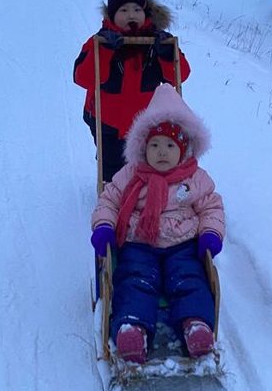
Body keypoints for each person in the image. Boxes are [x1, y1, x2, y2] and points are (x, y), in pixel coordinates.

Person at [90, 83, 224, 364]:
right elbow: (110, 201)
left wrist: (210, 233)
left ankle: (195, 323)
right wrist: (104, 226)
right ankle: (132, 327)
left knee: (188, 279)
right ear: (143, 147)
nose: (161, 152)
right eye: (154, 145)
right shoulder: (131, 174)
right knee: (135, 280)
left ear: (183, 149)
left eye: (169, 145)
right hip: (139, 244)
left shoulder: (194, 178)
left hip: (182, 246)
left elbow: (211, 206)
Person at [73, 0, 190, 183]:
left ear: (145, 13)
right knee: (113, 170)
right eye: (124, 10)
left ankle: (142, 199)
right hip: (107, 120)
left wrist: (166, 54)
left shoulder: (157, 42)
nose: (131, 15)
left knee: (143, 167)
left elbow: (181, 75)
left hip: (145, 122)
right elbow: (82, 77)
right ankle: (111, 201)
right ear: (112, 15)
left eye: (136, 9)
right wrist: (105, 51)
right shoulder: (99, 42)